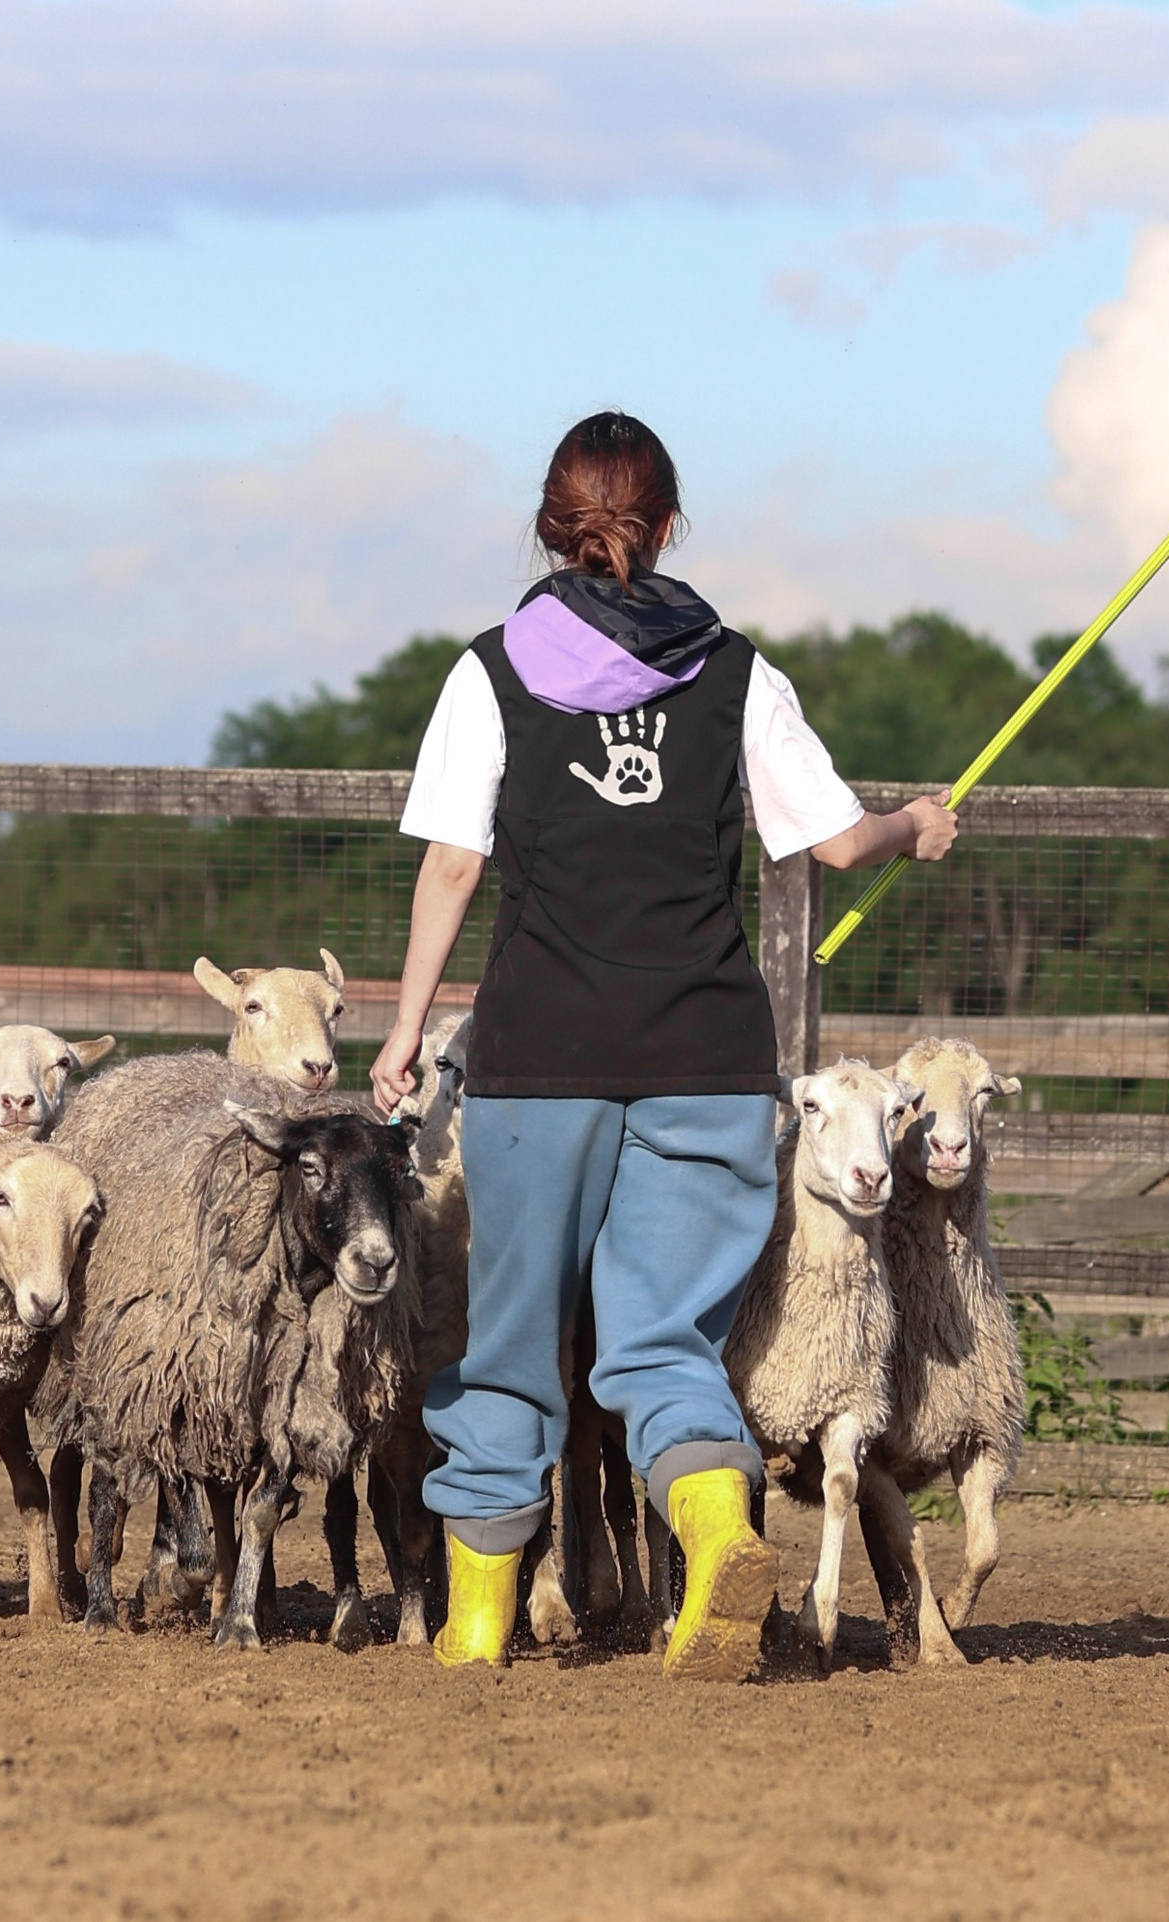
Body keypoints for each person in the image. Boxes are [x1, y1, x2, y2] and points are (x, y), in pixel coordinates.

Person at [369, 412, 957, 1679]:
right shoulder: (740, 673)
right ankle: (709, 1529)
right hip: (707, 1059)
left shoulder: (487, 672)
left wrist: (407, 1033)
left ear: (547, 525)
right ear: (672, 523)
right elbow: (837, 840)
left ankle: (475, 1627)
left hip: (537, 1062)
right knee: (662, 1343)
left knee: (513, 1339)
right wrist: (916, 821)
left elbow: (454, 864)